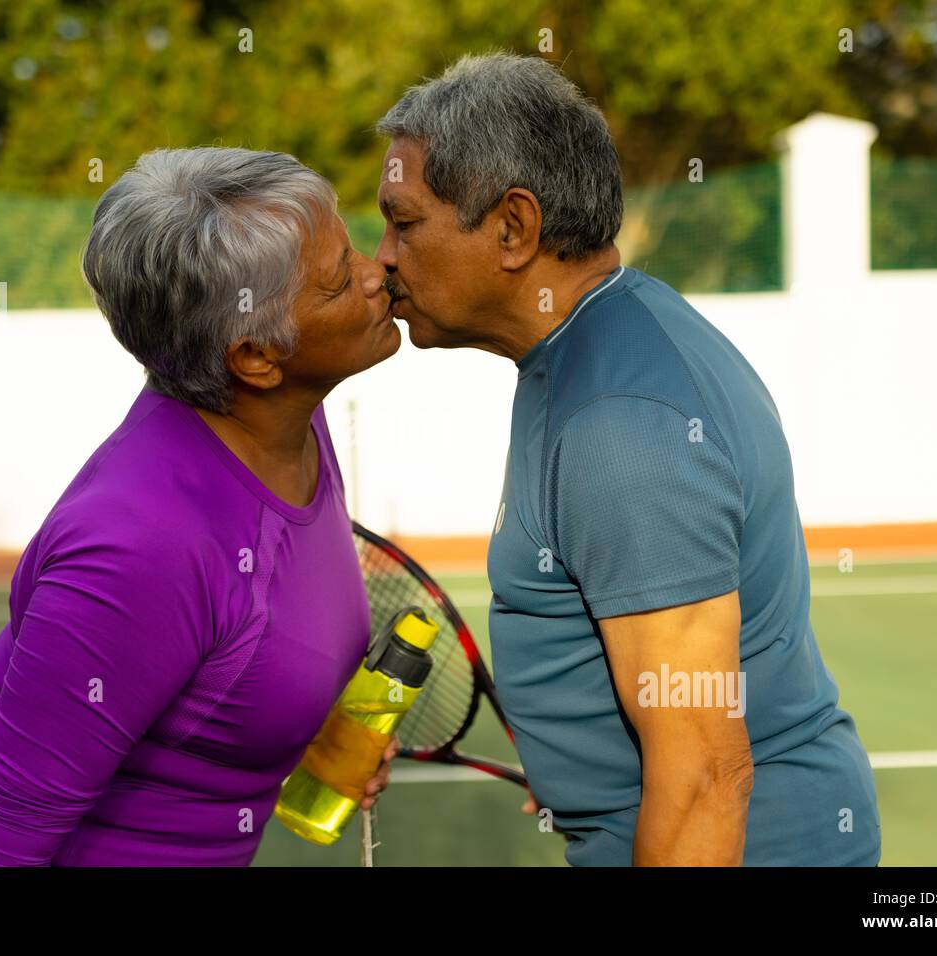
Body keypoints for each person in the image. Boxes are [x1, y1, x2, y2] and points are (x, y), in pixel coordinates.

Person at [374, 52, 882, 866]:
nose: (384, 257)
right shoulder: (594, 348)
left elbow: (705, 777)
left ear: (513, 227)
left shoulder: (621, 428)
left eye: (404, 222)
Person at [0, 146, 402, 866]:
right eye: (336, 281)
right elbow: (1, 840)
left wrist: (305, 734)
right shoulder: (141, 547)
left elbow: (225, 669)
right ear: (255, 357)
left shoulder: (290, 422)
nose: (374, 272)